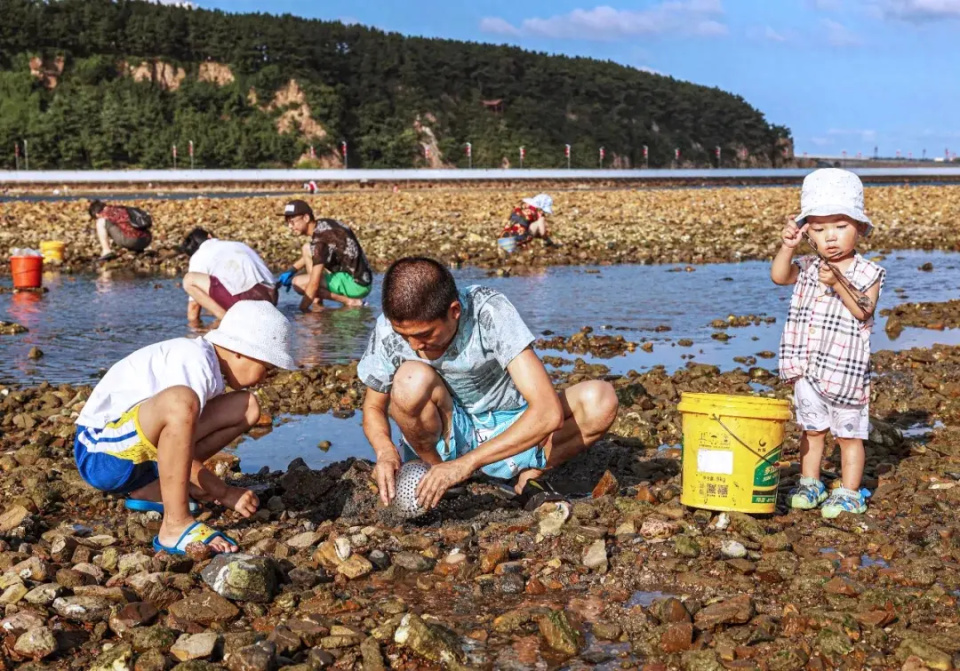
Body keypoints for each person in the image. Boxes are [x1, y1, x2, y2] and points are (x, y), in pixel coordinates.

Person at [358, 256, 619, 511]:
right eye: (405, 336)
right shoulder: (388, 330)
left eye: (424, 335)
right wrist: (385, 451)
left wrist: (468, 463)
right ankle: (437, 472)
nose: (415, 346)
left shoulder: (489, 311)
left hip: (510, 426)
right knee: (409, 379)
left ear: (454, 311)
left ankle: (531, 471)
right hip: (448, 435)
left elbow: (548, 412)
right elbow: (373, 408)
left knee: (601, 400)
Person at [73, 301, 297, 555]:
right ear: (240, 351)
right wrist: (222, 491)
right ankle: (174, 525)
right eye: (266, 368)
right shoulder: (195, 363)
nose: (265, 378)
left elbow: (175, 442)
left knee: (247, 406)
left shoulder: (210, 367)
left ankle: (151, 486)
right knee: (181, 402)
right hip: (101, 455)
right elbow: (165, 444)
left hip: (133, 457)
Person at [771, 168, 885, 519]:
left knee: (849, 435)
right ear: (808, 234)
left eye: (840, 227)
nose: (830, 237)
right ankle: (810, 481)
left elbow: (864, 309)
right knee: (812, 428)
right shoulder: (806, 265)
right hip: (807, 366)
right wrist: (786, 247)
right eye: (819, 230)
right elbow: (779, 276)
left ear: (860, 228)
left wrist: (837, 282)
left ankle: (850, 492)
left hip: (844, 371)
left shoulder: (868, 272)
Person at [276, 200, 373, 311]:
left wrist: (301, 311)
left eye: (292, 222)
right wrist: (292, 270)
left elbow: (314, 283)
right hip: (362, 278)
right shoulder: (323, 225)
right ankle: (317, 302)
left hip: (357, 285)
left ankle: (351, 301)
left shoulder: (320, 240)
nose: (290, 226)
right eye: (287, 222)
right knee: (307, 248)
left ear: (306, 218)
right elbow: (317, 254)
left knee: (298, 283)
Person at [179, 227, 278, 324]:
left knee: (188, 280)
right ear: (209, 236)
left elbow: (194, 307)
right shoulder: (238, 244)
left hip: (247, 302)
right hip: (271, 298)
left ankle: (227, 321)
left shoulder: (198, 256)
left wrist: (193, 327)